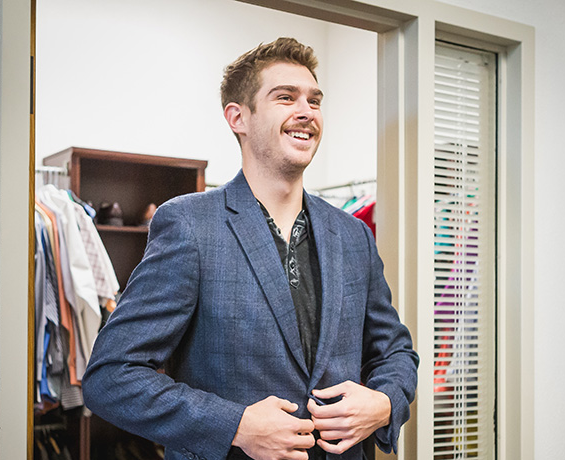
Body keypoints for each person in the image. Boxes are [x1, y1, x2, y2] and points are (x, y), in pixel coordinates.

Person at [82, 37, 418, 460]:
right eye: (285, 97)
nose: (306, 111)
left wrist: (384, 402)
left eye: (314, 100)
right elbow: (112, 376)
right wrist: (234, 426)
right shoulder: (189, 225)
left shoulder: (353, 235)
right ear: (238, 117)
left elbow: (395, 352)